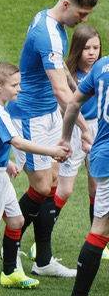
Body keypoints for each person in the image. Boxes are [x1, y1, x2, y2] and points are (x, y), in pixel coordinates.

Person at [9, 0, 98, 279]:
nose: (84, 20)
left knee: (54, 181)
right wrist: (84, 129)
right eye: (82, 13)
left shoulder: (53, 23)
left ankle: (43, 260)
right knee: (41, 187)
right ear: (65, 5)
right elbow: (62, 91)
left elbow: (62, 76)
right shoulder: (47, 33)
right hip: (31, 116)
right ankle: (11, 248)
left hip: (46, 114)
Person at [0, 63, 68, 295]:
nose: (20, 89)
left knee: (16, 221)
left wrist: (7, 162)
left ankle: (10, 273)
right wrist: (52, 151)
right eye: (15, 85)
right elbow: (18, 142)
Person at [60, 39, 109, 296]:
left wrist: (66, 138)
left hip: (102, 154)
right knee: (100, 230)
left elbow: (75, 100)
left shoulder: (102, 66)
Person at [57, 26, 101, 226]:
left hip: (100, 131)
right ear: (77, 49)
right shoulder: (69, 74)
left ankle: (98, 238)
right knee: (64, 190)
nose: (92, 53)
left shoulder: (102, 71)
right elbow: (63, 106)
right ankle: (40, 241)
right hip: (73, 131)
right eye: (87, 48)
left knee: (98, 188)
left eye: (96, 47)